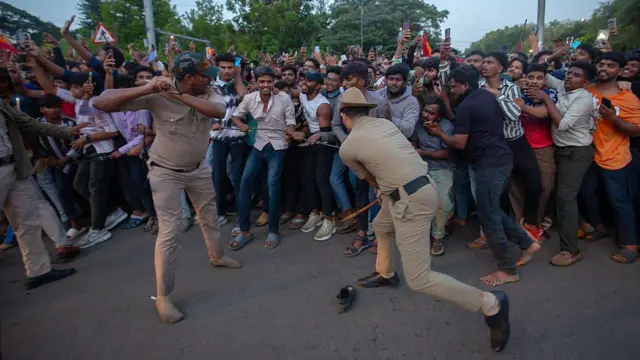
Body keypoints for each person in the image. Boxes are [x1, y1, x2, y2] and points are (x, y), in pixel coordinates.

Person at [338, 87, 511, 352]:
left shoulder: (348, 147)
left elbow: (372, 180)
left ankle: (491, 304)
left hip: (410, 201)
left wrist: (383, 187)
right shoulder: (384, 124)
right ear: (365, 111)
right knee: (380, 226)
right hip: (422, 186)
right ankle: (385, 272)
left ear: (344, 115)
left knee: (419, 279)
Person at [93, 52, 242, 324]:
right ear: (188, 78)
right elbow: (101, 102)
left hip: (199, 169)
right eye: (204, 75)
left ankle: (217, 255)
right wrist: (149, 87)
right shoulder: (155, 94)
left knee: (209, 217)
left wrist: (177, 96)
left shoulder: (208, 92)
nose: (211, 79)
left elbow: (219, 111)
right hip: (165, 172)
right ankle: (163, 296)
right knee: (170, 232)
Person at [431, 65, 540, 286]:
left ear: (465, 85)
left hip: (490, 164)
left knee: (489, 217)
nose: (452, 91)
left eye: (454, 87)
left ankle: (508, 270)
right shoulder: (487, 96)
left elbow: (459, 143)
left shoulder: (467, 105)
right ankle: (527, 244)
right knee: (491, 209)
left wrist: (439, 133)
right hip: (498, 159)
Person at [0, 93, 84, 289]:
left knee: (27, 221)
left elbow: (27, 123)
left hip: (15, 166)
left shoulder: (3, 103)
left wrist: (67, 131)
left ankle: (38, 271)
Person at [535, 61, 597, 266]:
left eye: (576, 75)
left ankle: (571, 250)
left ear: (586, 81)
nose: (570, 77)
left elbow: (562, 124)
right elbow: (542, 72)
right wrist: (551, 57)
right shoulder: (564, 87)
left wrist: (545, 99)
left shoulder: (584, 99)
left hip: (576, 152)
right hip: (561, 150)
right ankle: (582, 225)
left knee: (565, 199)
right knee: (563, 196)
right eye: (569, 73)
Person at [583, 52, 640, 263]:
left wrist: (613, 118)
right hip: (588, 154)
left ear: (620, 71)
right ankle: (599, 227)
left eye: (611, 65)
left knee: (619, 200)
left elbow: (635, 130)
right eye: (601, 64)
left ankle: (630, 244)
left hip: (614, 156)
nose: (604, 68)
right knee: (588, 193)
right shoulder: (586, 91)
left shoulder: (628, 98)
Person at [230, 66, 296, 250]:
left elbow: (291, 122)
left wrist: (291, 130)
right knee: (245, 183)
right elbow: (236, 117)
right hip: (258, 145)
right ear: (256, 83)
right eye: (262, 82)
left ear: (273, 82)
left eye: (269, 81)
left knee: (272, 183)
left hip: (278, 147)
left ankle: (273, 230)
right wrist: (242, 126)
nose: (265, 85)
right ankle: (243, 230)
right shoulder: (250, 98)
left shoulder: (284, 98)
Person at [480, 52, 543, 242]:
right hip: (496, 145)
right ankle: (502, 230)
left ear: (500, 68)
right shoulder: (478, 88)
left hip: (516, 141)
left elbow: (513, 115)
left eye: (489, 62)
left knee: (534, 182)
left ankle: (530, 222)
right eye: (484, 61)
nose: (484, 65)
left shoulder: (512, 88)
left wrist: (497, 95)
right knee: (499, 190)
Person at [327, 61, 386, 256]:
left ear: (361, 81)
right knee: (361, 192)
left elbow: (386, 127)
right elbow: (336, 125)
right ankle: (361, 233)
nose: (344, 83)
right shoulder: (343, 99)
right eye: (343, 79)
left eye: (349, 79)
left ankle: (378, 235)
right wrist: (349, 142)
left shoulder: (379, 100)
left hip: (377, 154)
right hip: (356, 155)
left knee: (379, 194)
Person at [511, 63, 557, 232]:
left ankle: (535, 222)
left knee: (546, 185)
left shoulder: (550, 94)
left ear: (545, 80)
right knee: (516, 185)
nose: (534, 81)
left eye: (539, 78)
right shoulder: (519, 92)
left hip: (543, 147)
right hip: (521, 145)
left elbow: (544, 113)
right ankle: (519, 221)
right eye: (531, 77)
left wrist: (523, 106)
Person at [209, 53, 248, 230]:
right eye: (223, 67)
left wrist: (238, 75)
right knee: (218, 177)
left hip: (237, 138)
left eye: (230, 67)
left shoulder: (238, 84)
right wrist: (212, 123)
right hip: (217, 139)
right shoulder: (209, 86)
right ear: (216, 67)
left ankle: (242, 218)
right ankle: (220, 212)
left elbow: (243, 97)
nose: (226, 71)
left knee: (238, 177)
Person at [411, 96, 455, 256]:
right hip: (421, 167)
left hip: (442, 168)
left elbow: (446, 154)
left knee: (442, 203)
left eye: (431, 113)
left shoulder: (447, 127)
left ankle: (437, 237)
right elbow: (414, 144)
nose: (426, 115)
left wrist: (424, 152)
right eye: (425, 111)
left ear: (439, 116)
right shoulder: (418, 124)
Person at [295, 70, 336, 240]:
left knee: (321, 179)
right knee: (307, 178)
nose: (304, 83)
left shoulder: (323, 106)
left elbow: (324, 132)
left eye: (309, 81)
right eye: (303, 80)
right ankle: (315, 212)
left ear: (318, 86)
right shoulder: (303, 94)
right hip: (309, 142)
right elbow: (288, 91)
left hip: (323, 143)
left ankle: (329, 218)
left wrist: (303, 134)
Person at [377, 63, 420, 138]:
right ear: (386, 80)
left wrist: (390, 118)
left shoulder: (412, 102)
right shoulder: (378, 95)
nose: (394, 83)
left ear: (405, 82)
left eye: (398, 80)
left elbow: (408, 130)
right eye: (391, 79)